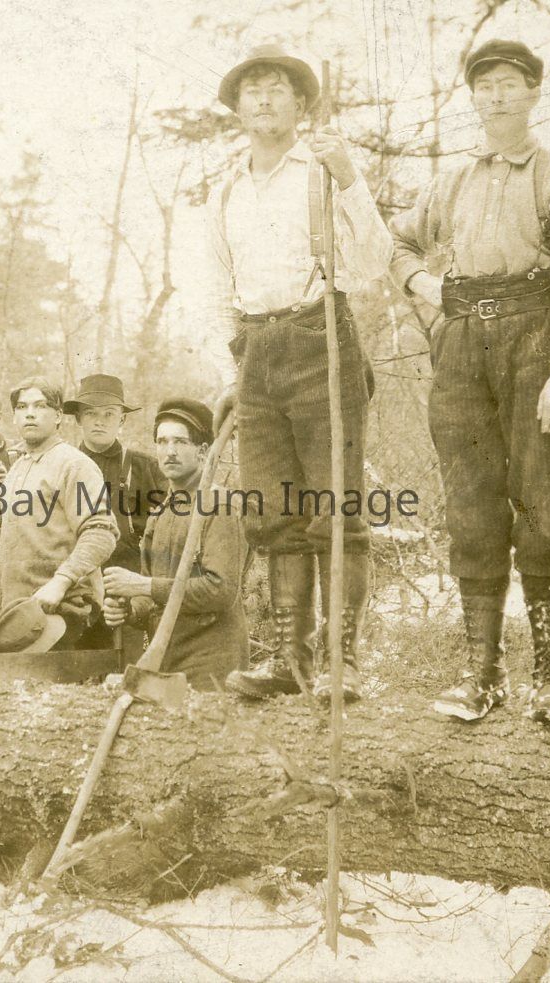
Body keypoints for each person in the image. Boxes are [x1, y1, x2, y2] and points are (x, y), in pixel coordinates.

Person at [389, 40, 550, 725]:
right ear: (474, 97)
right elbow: (397, 242)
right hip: (461, 343)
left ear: (533, 92)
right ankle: (482, 673)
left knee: (542, 501)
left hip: (535, 339)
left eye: (509, 83)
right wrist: (425, 288)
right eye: (484, 85)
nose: (496, 96)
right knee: (470, 503)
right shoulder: (453, 181)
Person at [207, 44, 391, 704]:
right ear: (237, 108)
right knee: (272, 512)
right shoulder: (225, 192)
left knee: (336, 509)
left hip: (322, 337)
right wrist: (228, 373)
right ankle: (291, 661)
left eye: (277, 88)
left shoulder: (322, 172)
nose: (263, 99)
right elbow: (217, 289)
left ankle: (342, 661)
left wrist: (351, 179)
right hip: (255, 351)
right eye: (251, 90)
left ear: (299, 103)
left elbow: (373, 262)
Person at [103, 398, 248, 689]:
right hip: (167, 661)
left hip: (212, 665)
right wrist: (130, 610)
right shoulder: (160, 513)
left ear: (203, 451)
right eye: (162, 441)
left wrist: (144, 586)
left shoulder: (220, 505)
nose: (169, 451)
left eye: (180, 442)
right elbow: (152, 598)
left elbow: (220, 590)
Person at [0, 378, 118, 650]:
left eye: (40, 406)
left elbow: (101, 533)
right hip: (21, 619)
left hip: (65, 614)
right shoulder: (18, 468)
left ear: (58, 416)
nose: (30, 413)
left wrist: (61, 583)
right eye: (22, 407)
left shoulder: (74, 465)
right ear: (14, 416)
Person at [65, 374, 165, 574]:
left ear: (122, 419)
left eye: (109, 414)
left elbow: (169, 528)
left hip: (130, 578)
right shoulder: (64, 465)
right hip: (74, 577)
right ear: (78, 418)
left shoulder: (145, 467)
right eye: (91, 413)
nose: (99, 422)